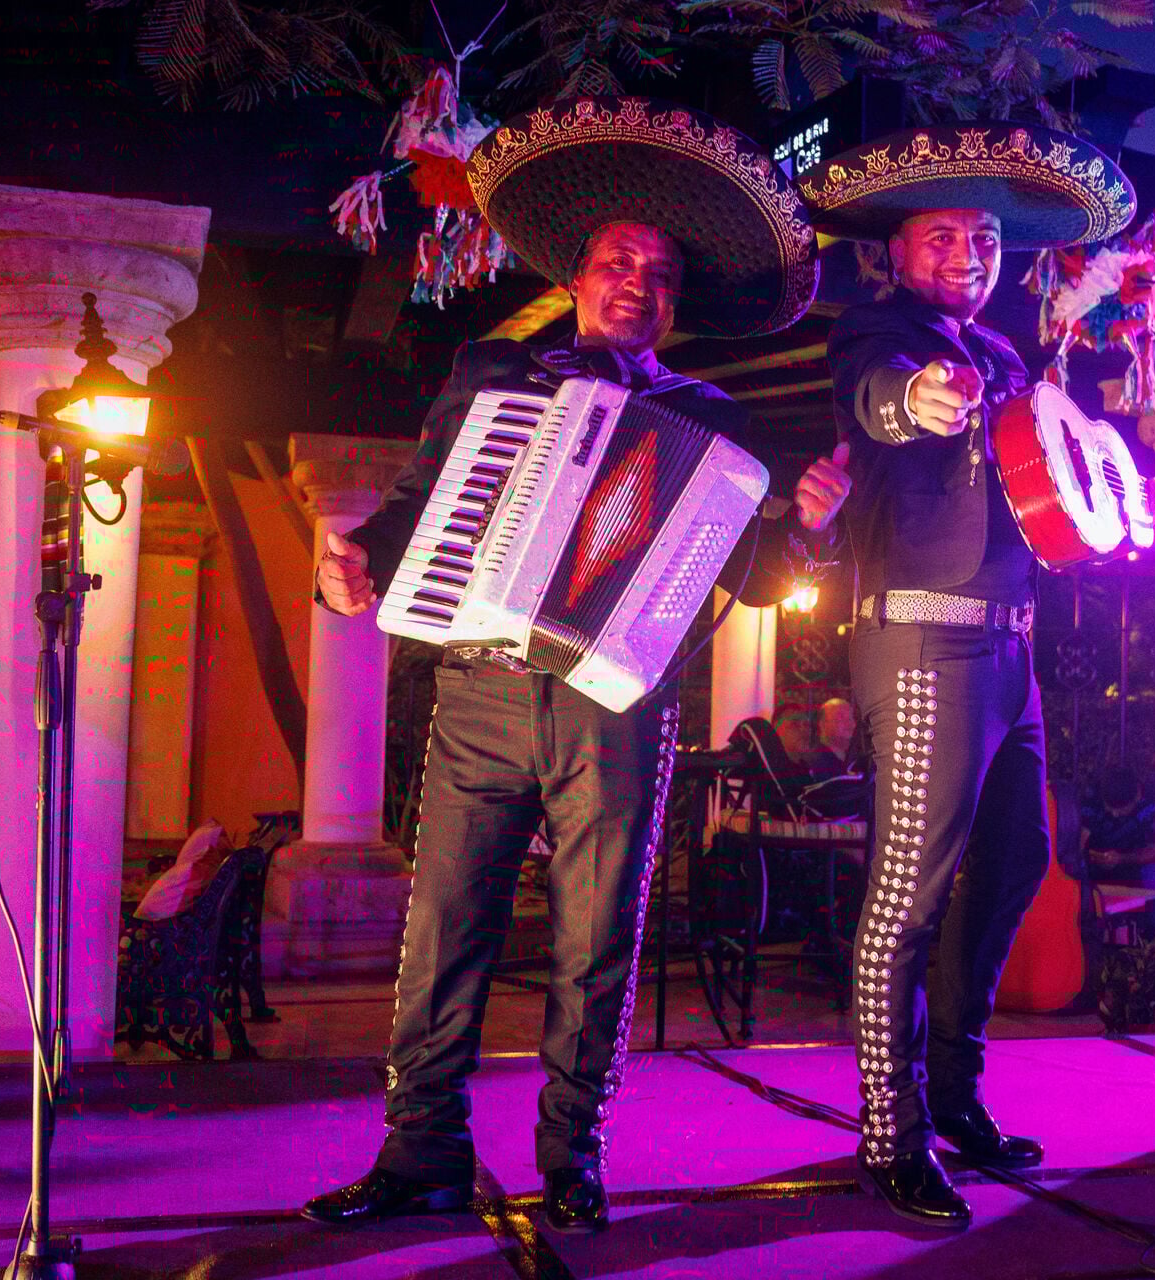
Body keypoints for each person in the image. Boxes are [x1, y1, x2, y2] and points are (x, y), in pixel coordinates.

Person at [301, 96, 850, 1235]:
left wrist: (805, 524)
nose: (635, 283)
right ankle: (420, 1156)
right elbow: (410, 515)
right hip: (481, 688)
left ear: (671, 300)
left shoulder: (709, 420)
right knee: (443, 924)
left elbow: (744, 577)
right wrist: (347, 570)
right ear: (582, 274)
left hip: (617, 703)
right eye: (617, 262)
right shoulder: (495, 375)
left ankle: (574, 1153)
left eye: (657, 274)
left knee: (599, 936)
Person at [798, 122, 1135, 1227]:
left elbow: (1050, 479)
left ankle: (954, 1094)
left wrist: (1125, 505)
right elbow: (881, 395)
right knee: (908, 889)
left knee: (1012, 862)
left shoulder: (1005, 358)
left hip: (1008, 645)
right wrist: (917, 401)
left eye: (985, 238)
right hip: (923, 638)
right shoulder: (876, 332)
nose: (968, 254)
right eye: (942, 236)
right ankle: (889, 1134)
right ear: (896, 253)